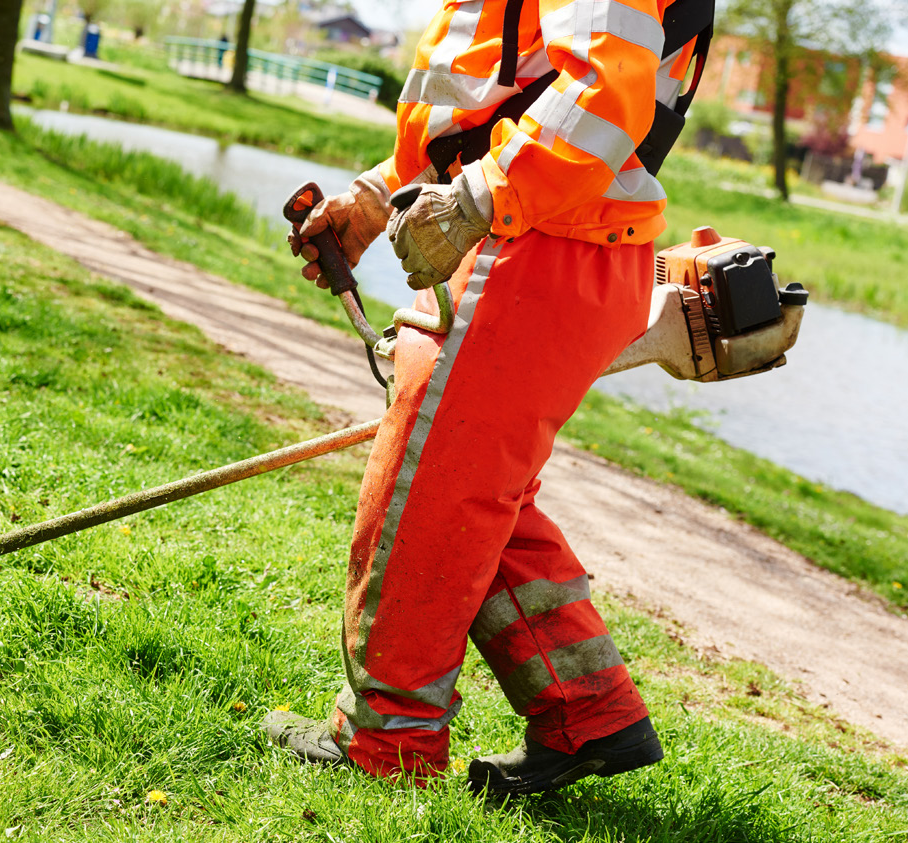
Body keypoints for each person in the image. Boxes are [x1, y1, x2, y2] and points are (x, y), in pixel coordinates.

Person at [266, 0, 706, 796]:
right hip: (547, 235)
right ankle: (589, 709)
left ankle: (387, 740)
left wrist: (479, 197)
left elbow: (604, 91)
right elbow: (493, 98)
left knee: (427, 498)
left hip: (536, 241)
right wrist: (378, 197)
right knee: (469, 488)